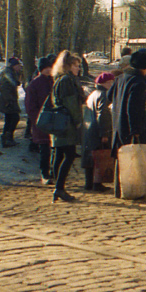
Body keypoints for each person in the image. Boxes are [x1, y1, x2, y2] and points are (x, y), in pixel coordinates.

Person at [48, 50, 85, 203]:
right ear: (69, 66)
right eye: (76, 66)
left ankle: (59, 186)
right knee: (69, 155)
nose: (78, 69)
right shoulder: (67, 81)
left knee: (60, 155)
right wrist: (78, 122)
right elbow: (71, 105)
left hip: (60, 122)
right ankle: (59, 188)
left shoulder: (60, 79)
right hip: (66, 123)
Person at [111, 48, 146, 156]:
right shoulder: (138, 83)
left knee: (120, 158)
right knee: (130, 161)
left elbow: (110, 96)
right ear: (145, 68)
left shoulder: (120, 78)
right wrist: (136, 131)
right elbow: (133, 109)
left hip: (117, 124)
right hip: (129, 128)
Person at [82, 72, 116, 191]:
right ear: (105, 83)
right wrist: (105, 133)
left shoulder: (93, 94)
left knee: (91, 157)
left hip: (89, 128)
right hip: (97, 130)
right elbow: (103, 115)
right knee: (100, 157)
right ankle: (97, 183)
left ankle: (89, 183)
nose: (111, 84)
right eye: (110, 82)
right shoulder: (104, 95)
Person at [25, 55, 55, 182]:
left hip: (52, 119)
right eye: (46, 68)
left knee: (52, 148)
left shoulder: (52, 81)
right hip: (42, 120)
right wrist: (37, 119)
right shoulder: (35, 84)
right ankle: (44, 173)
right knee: (44, 149)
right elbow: (30, 105)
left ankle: (51, 171)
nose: (49, 70)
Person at [0, 57, 24, 147]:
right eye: (18, 66)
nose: (19, 68)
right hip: (8, 101)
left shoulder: (11, 73)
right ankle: (7, 137)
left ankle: (7, 138)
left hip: (8, 100)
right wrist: (9, 100)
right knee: (14, 118)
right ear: (14, 66)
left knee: (9, 119)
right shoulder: (8, 74)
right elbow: (5, 88)